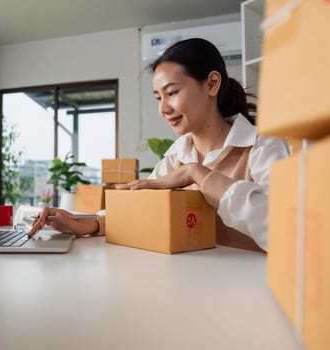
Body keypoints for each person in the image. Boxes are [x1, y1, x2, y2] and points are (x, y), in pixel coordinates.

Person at [30, 38, 289, 252]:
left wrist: (196, 172)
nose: (163, 108)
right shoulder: (178, 153)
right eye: (158, 97)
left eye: (172, 93)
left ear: (211, 83)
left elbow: (283, 227)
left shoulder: (262, 145)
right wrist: (84, 224)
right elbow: (140, 208)